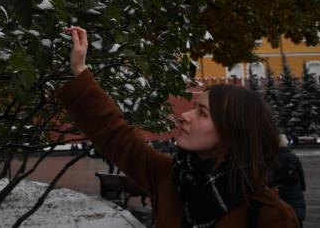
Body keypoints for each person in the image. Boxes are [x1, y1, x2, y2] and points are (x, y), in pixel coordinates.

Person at [57, 26, 299, 228]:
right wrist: (80, 70)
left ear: (233, 132)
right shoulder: (170, 177)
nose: (185, 115)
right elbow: (115, 135)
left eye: (202, 113)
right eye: (195, 107)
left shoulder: (271, 215)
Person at [273, 134, 306, 227]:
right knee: (297, 221)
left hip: (281, 194)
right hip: (296, 193)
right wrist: (302, 187)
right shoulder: (294, 157)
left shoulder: (273, 158)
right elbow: (301, 174)